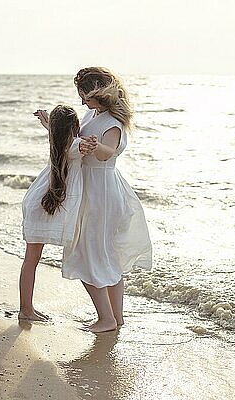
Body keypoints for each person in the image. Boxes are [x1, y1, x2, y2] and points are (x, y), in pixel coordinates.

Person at [62, 67, 153, 333]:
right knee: (104, 254)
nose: (82, 103)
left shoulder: (112, 122)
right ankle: (116, 317)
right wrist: (53, 127)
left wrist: (94, 146)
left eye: (85, 97)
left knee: (87, 253)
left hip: (100, 192)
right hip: (93, 187)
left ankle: (107, 319)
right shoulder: (94, 113)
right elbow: (76, 140)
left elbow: (108, 152)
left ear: (99, 93)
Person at [18, 104, 93, 321]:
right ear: (77, 126)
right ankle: (26, 310)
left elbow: (58, 132)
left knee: (31, 260)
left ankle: (26, 309)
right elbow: (85, 145)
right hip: (42, 203)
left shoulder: (58, 143)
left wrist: (47, 123)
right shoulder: (76, 146)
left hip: (36, 202)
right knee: (33, 259)